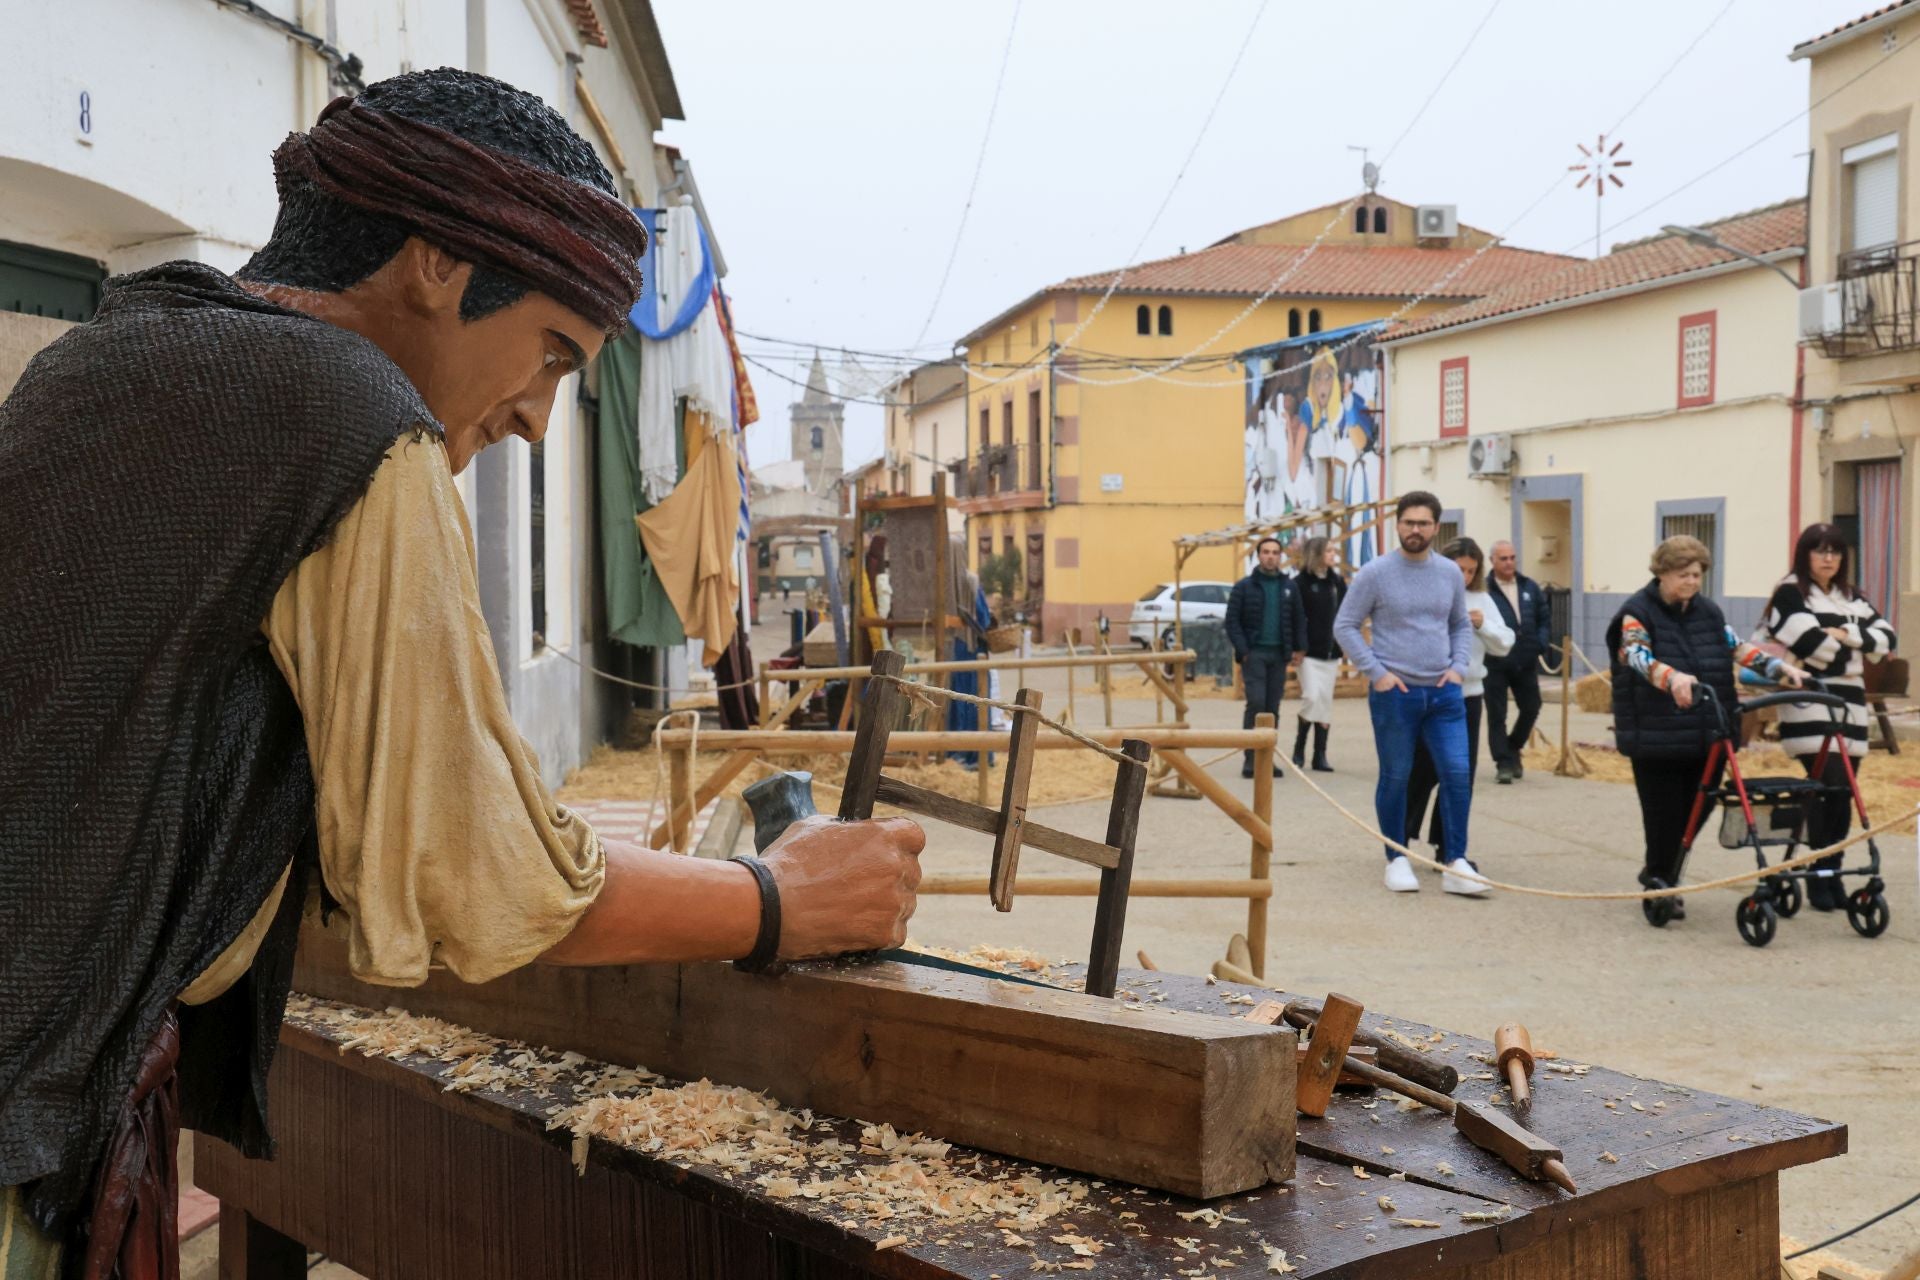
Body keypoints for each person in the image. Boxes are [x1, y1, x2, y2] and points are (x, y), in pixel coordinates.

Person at [0, 71, 922, 1272]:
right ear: (434, 266)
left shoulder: (99, 355)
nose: (539, 417)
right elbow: (480, 875)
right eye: (547, 353)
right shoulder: (356, 417)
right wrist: (777, 899)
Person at [1608, 536, 1805, 917]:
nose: (1692, 582)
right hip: (1657, 734)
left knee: (1700, 807)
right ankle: (1660, 884)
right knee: (1664, 815)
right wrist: (1672, 678)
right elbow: (1635, 654)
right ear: (1662, 573)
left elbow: (1737, 646)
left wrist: (1782, 669)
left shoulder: (1708, 612)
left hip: (1709, 731)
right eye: (1683, 574)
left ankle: (1661, 873)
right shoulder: (1636, 613)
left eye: (1697, 574)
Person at [1333, 492, 1488, 896]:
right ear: (1397, 525)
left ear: (1436, 527)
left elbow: (1459, 623)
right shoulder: (1376, 573)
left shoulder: (1450, 573)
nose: (1415, 530)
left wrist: (1458, 668)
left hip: (1444, 695)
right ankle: (1396, 857)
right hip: (1395, 694)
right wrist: (1377, 673)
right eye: (1408, 523)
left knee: (1457, 775)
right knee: (1397, 776)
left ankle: (1456, 861)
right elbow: (1345, 625)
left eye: (1423, 523)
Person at [1756, 524, 1897, 910]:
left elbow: (1889, 638)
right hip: (1810, 693)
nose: (1828, 558)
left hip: (1851, 698)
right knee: (1827, 782)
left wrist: (1846, 633)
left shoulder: (1850, 596)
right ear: (1805, 554)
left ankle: (1832, 869)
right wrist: (1855, 640)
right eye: (1819, 551)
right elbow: (1815, 647)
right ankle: (1818, 869)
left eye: (1835, 551)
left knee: (1844, 789)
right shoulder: (1790, 592)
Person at [1405, 539, 1512, 861]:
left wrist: (1484, 626)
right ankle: (1400, 836)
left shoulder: (1482, 599)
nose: (1464, 576)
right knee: (1422, 769)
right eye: (1458, 568)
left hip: (1467, 694)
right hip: (1427, 691)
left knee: (1459, 774)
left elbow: (1505, 643)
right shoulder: (1424, 592)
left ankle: (1448, 847)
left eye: (1471, 570)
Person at [1226, 537, 1308, 779]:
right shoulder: (1244, 587)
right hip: (1255, 654)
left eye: (1275, 552)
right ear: (1258, 556)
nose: (1270, 556)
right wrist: (1244, 651)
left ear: (1280, 557)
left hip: (1278, 655)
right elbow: (1232, 622)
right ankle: (1250, 759)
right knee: (1256, 703)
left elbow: (1298, 618)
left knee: (1272, 707)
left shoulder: (1289, 587)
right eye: (1265, 552)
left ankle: (1266, 758)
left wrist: (1299, 647)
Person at [1483, 540, 1554, 784]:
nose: (1509, 562)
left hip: (1525, 660)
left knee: (1531, 707)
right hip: (1495, 662)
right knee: (1497, 715)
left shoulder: (1529, 587)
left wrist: (1540, 643)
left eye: (1512, 557)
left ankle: (1513, 747)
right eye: (1503, 558)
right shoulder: (1484, 590)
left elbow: (1544, 618)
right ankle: (1503, 763)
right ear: (1492, 561)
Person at [1292, 535, 1346, 772]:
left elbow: (1346, 615)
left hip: (1330, 652)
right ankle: (1299, 747)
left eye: (1334, 550)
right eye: (1328, 551)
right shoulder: (1300, 583)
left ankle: (1319, 755)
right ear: (1316, 554)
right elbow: (1296, 617)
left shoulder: (1337, 583)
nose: (1333, 554)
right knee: (1312, 696)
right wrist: (1298, 646)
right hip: (1308, 653)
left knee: (1325, 701)